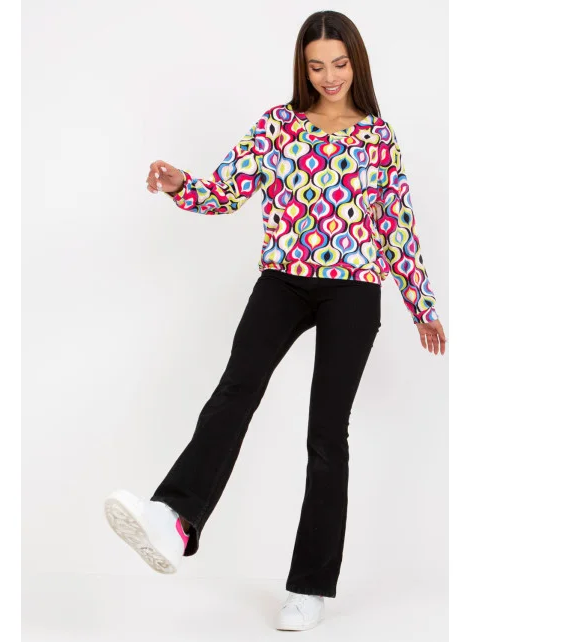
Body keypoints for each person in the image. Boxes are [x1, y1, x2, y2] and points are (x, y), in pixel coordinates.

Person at [104, 9, 447, 632]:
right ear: (302, 68)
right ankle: (173, 518)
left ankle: (309, 587)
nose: (329, 76)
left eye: (339, 64)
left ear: (356, 63)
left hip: (352, 290)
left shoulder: (379, 136)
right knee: (236, 390)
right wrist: (182, 184)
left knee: (326, 434)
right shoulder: (278, 126)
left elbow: (396, 226)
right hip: (283, 280)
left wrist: (421, 306)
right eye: (316, 67)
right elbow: (227, 191)